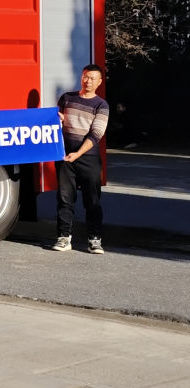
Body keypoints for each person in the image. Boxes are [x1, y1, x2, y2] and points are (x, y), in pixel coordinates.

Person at [52, 64, 110, 254]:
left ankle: (94, 239)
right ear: (81, 77)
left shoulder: (101, 105)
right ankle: (63, 238)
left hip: (88, 158)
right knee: (64, 199)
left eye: (93, 78)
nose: (88, 81)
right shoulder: (67, 98)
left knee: (92, 200)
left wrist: (77, 154)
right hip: (65, 157)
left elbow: (96, 134)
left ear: (99, 82)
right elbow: (55, 124)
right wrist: (56, 119)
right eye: (86, 76)